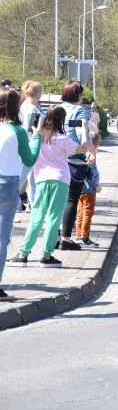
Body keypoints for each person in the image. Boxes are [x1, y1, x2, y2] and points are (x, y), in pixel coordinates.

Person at [7, 104, 94, 269]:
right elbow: (83, 150)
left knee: (36, 217)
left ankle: (23, 253)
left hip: (42, 180)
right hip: (60, 180)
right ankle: (46, 256)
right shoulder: (62, 139)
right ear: (61, 120)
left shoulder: (37, 138)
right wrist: (83, 129)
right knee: (54, 218)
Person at [0, 87, 43, 300]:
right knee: (1, 238)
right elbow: (29, 160)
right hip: (7, 183)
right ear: (16, 107)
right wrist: (37, 138)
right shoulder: (17, 131)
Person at [59, 81, 91, 251]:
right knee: (71, 200)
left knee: (56, 201)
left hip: (55, 158)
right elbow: (83, 136)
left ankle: (55, 236)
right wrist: (91, 151)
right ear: (77, 95)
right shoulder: (79, 111)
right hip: (74, 159)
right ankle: (66, 238)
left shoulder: (56, 109)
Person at [18, 80, 45, 213]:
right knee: (24, 176)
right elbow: (32, 129)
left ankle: (32, 204)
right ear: (37, 93)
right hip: (30, 145)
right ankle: (18, 205)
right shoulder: (31, 109)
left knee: (31, 177)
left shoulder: (26, 106)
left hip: (27, 144)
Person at [75, 127, 102, 247]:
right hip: (89, 189)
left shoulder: (81, 153)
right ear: (95, 145)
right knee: (88, 213)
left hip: (80, 187)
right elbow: (91, 174)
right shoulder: (91, 156)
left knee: (80, 212)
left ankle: (78, 236)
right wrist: (96, 186)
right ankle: (85, 238)